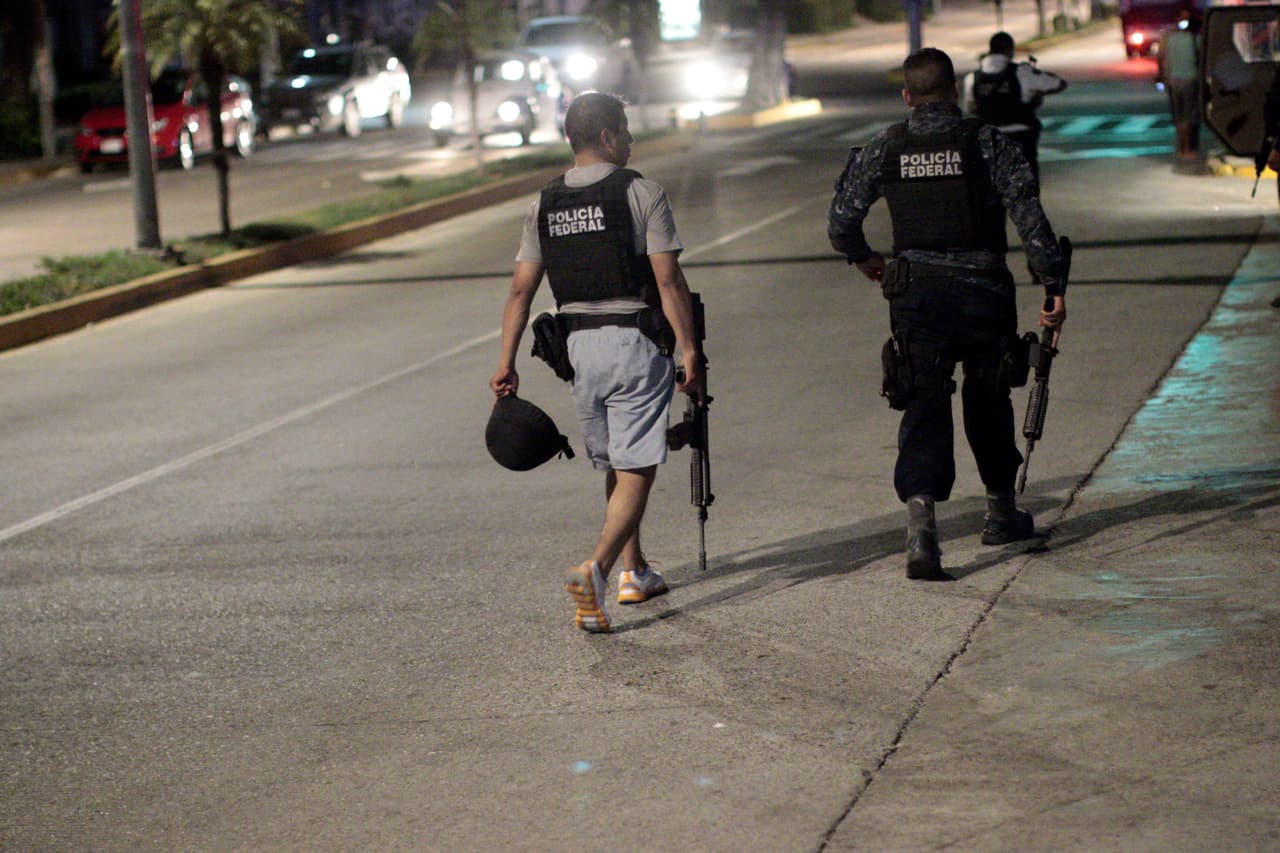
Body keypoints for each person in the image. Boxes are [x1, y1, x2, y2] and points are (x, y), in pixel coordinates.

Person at [828, 47, 1067, 580]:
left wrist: (869, 262)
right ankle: (1001, 514)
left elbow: (841, 221)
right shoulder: (986, 142)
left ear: (908, 96)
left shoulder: (886, 146)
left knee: (922, 404)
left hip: (917, 296)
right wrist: (1052, 285)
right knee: (989, 397)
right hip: (983, 291)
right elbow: (1031, 219)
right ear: (955, 91)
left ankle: (922, 535)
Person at [490, 91, 704, 633]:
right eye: (626, 131)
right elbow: (667, 278)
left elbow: (520, 292)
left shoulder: (545, 203)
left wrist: (506, 361)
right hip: (633, 342)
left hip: (579, 350)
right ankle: (598, 569)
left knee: (614, 463)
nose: (631, 140)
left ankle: (635, 571)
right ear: (607, 137)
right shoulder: (641, 193)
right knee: (637, 469)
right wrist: (690, 348)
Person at [962, 31, 1067, 184]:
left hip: (989, 142)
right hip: (1021, 140)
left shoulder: (972, 78)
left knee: (990, 190)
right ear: (1010, 50)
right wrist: (1036, 91)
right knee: (1027, 191)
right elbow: (1058, 83)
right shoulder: (1021, 72)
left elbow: (970, 108)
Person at [1157, 6, 1205, 172]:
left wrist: (1163, 75)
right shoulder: (1193, 37)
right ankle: (1186, 148)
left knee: (1182, 117)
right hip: (1185, 81)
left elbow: (1161, 58)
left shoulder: (1168, 36)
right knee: (1185, 117)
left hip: (1180, 81)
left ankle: (1183, 148)